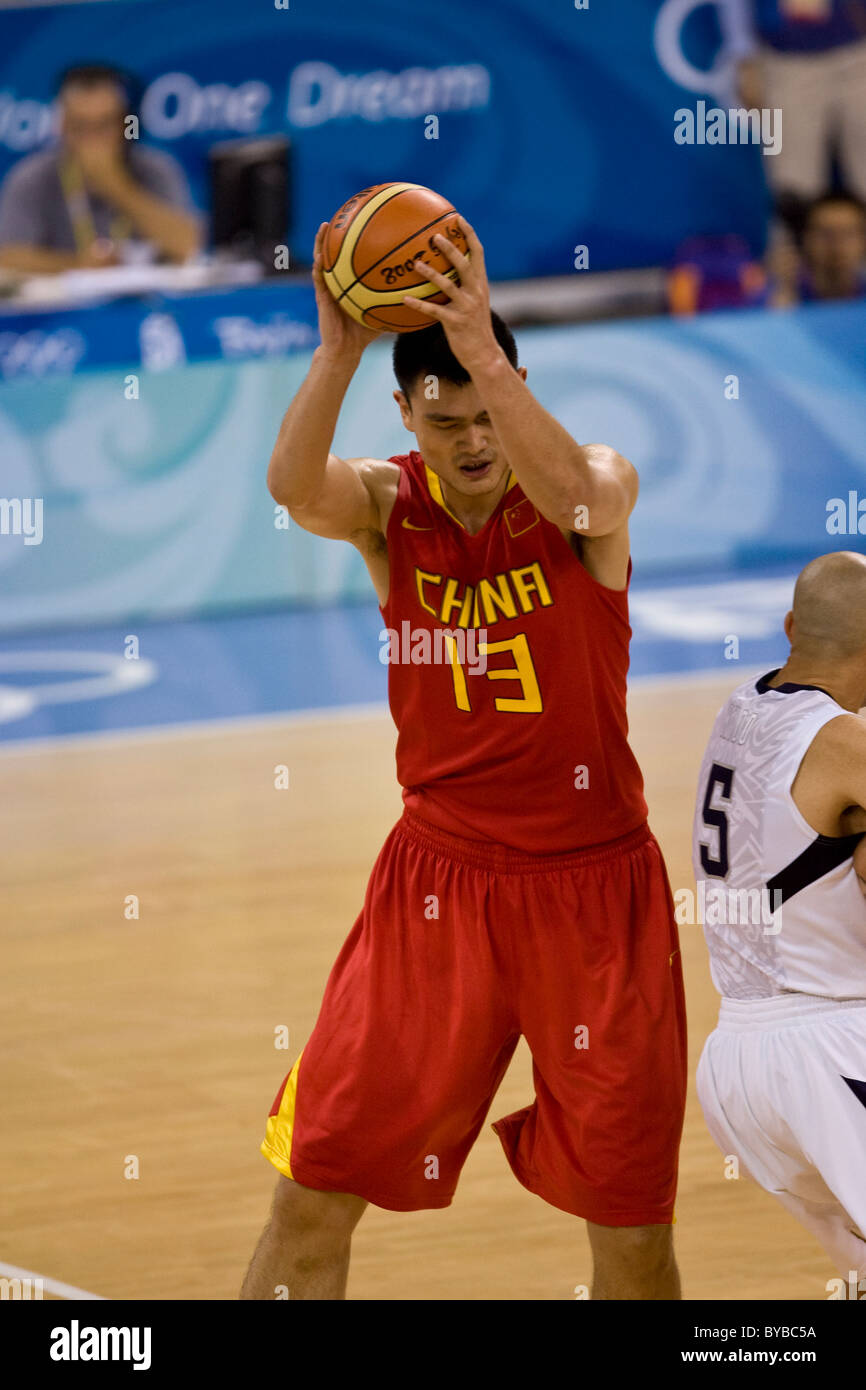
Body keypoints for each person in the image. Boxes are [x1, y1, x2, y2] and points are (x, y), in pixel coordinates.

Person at [240, 217, 688, 1301]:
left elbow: (587, 497)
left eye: (486, 414)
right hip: (437, 887)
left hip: (593, 894)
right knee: (312, 1186)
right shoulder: (390, 507)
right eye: (445, 423)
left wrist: (480, 349)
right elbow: (292, 493)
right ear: (406, 416)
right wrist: (337, 349)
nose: (471, 441)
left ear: (513, 384)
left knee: (627, 1229)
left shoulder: (586, 488)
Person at [693, 551, 866, 1280]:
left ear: (792, 626)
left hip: (737, 1068)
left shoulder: (741, 705)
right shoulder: (844, 745)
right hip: (829, 1053)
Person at [0, 63, 200, 274]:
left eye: (104, 124)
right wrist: (76, 266)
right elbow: (7, 257)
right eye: (80, 126)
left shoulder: (155, 168)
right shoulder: (32, 178)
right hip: (65, 304)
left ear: (127, 124)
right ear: (63, 126)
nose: (93, 139)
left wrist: (117, 186)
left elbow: (188, 245)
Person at [718, 0, 866, 205]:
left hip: (858, 51)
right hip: (788, 61)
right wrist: (744, 54)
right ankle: (791, 235)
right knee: (794, 185)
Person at [771, 192, 866, 304]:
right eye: (826, 234)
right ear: (806, 238)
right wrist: (784, 289)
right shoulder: (782, 291)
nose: (837, 244)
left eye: (848, 234)